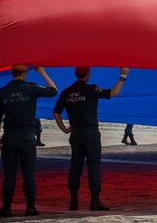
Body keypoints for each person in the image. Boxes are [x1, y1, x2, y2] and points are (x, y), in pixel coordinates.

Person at [53, 66, 129, 211]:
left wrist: (64, 129)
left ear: (76, 74)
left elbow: (56, 113)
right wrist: (123, 76)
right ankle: (95, 201)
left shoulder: (66, 92)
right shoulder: (92, 89)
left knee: (75, 167)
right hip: (91, 133)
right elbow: (113, 92)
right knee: (93, 167)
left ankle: (73, 201)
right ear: (87, 75)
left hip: (76, 133)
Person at [0, 65, 58, 217]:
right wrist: (43, 73)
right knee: (28, 173)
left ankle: (6, 208)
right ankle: (30, 207)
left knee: (9, 174)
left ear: (12, 73)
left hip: (9, 137)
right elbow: (53, 90)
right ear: (24, 74)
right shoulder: (32, 89)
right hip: (27, 136)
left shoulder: (1, 92)